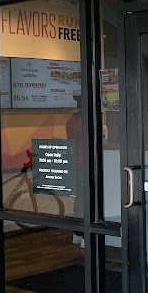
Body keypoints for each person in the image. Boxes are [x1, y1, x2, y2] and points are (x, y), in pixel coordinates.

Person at [65, 94, 84, 248]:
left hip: (75, 163)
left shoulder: (71, 120)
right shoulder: (86, 120)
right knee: (87, 199)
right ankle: (85, 235)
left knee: (78, 199)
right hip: (86, 163)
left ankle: (77, 233)